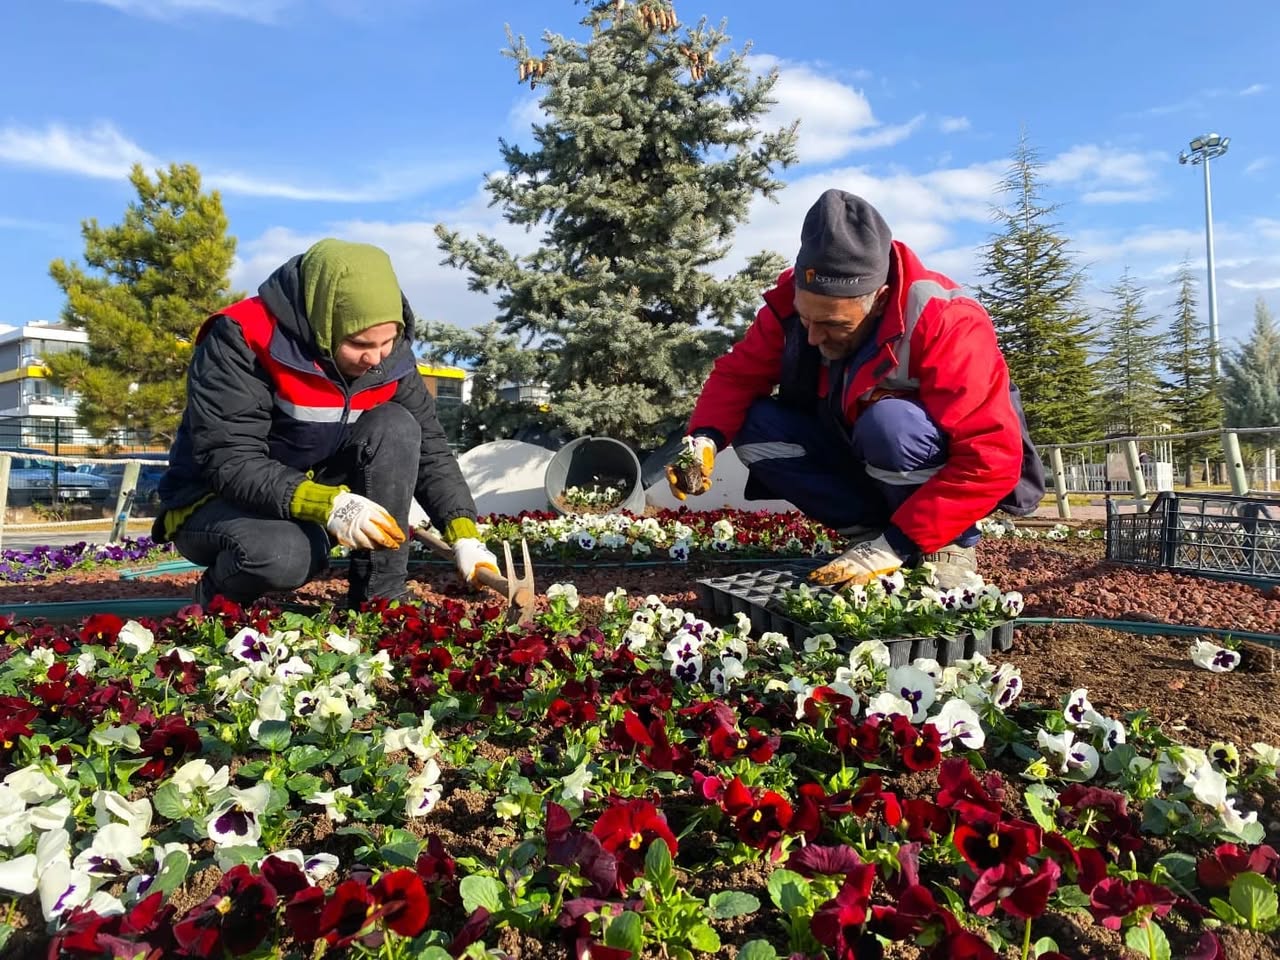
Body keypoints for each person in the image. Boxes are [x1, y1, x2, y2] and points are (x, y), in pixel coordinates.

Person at [666, 189, 1045, 589]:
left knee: (891, 422)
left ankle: (944, 545)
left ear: (879, 299)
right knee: (754, 425)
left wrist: (896, 544)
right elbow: (737, 376)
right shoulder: (792, 305)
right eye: (805, 317)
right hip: (850, 448)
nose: (812, 337)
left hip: (921, 464)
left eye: (833, 325)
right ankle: (868, 535)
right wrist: (704, 439)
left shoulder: (945, 319)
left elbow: (990, 456)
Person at [154, 238, 498, 608]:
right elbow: (230, 460)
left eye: (388, 341)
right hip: (217, 501)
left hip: (316, 494)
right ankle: (216, 598)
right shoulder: (242, 337)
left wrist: (464, 534)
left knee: (397, 425)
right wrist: (330, 506)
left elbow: (430, 446)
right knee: (283, 556)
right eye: (360, 343)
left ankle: (379, 598)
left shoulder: (388, 355)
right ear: (324, 322)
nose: (376, 358)